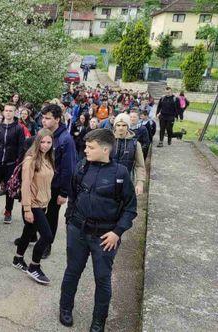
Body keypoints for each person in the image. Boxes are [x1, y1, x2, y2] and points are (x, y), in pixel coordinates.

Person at [59, 129, 137, 332]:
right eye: (86, 146)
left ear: (105, 149)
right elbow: (73, 195)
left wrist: (117, 232)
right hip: (78, 231)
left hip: (105, 237)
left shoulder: (120, 173)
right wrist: (70, 222)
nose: (85, 150)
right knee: (72, 272)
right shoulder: (82, 166)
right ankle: (65, 308)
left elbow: (130, 208)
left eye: (90, 147)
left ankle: (98, 321)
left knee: (102, 279)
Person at [12, 129, 55, 284]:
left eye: (49, 142)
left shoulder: (48, 158)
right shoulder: (30, 160)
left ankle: (18, 258)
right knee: (47, 236)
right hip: (33, 204)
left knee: (28, 231)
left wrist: (47, 202)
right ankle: (34, 266)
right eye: (42, 142)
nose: (45, 145)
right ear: (37, 142)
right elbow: (26, 185)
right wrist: (27, 209)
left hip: (43, 203)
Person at [40, 104, 76, 259]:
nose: (43, 121)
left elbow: (68, 168)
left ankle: (47, 244)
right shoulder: (44, 134)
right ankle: (35, 237)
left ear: (57, 119)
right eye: (43, 117)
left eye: (47, 118)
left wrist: (64, 192)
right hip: (41, 183)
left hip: (55, 187)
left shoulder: (65, 139)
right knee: (38, 213)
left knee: (51, 217)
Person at [112, 114, 145, 196]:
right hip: (108, 180)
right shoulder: (108, 141)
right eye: (118, 125)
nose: (121, 128)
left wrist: (140, 182)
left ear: (128, 126)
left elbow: (140, 165)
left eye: (124, 125)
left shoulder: (135, 144)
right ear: (115, 126)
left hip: (127, 180)